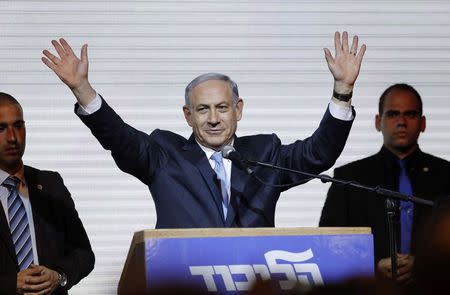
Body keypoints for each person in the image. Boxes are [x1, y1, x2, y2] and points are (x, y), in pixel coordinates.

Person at [41, 31, 366, 228]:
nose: (213, 119)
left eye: (222, 108)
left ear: (238, 110)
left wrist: (342, 90)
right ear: (188, 115)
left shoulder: (264, 153)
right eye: (203, 109)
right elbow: (120, 139)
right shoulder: (163, 155)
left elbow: (318, 154)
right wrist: (83, 89)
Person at [319, 84, 450, 283]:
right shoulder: (349, 177)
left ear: (423, 123)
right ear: (378, 122)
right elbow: (328, 244)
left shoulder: (446, 175)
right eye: (393, 114)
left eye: (411, 114)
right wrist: (371, 267)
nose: (402, 122)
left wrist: (424, 265)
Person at [0, 93, 95, 294]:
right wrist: (10, 285)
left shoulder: (51, 184)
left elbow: (84, 253)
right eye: (1, 128)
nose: (12, 138)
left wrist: (59, 277)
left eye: (18, 126)